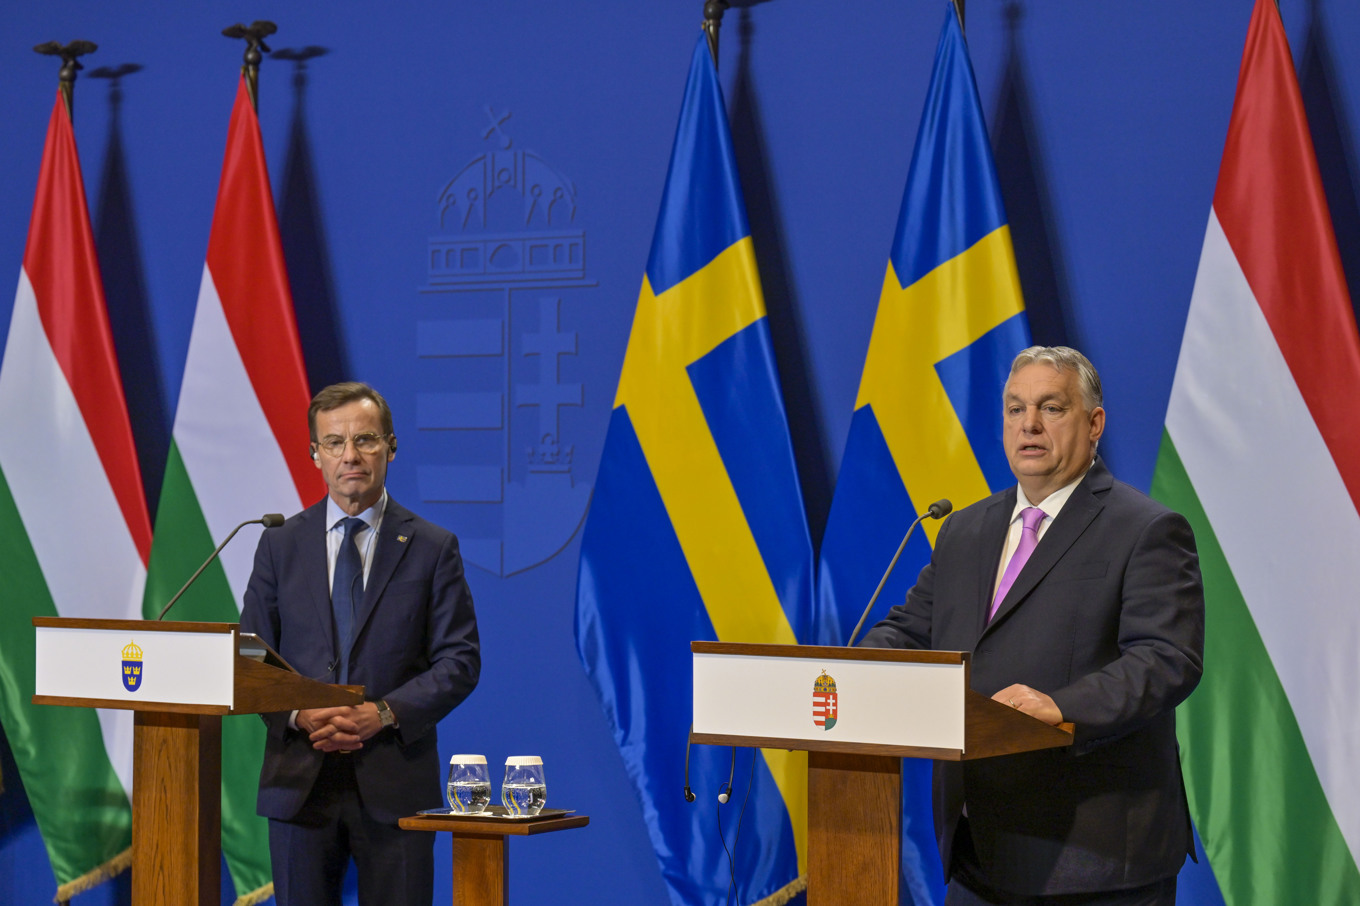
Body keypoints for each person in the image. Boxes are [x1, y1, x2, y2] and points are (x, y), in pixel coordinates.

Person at [860, 346, 1204, 906]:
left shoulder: (1145, 529)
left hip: (1093, 858)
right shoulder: (965, 531)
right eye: (1015, 409)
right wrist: (850, 673)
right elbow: (910, 631)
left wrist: (1062, 706)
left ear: (1094, 424)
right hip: (977, 853)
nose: (1030, 426)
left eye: (1051, 407)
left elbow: (1166, 659)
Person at [240, 382, 480, 906]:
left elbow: (460, 660)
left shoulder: (433, 548)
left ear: (391, 447)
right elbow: (249, 654)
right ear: (315, 455)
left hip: (394, 779)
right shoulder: (278, 544)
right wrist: (300, 714)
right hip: (299, 780)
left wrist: (384, 712)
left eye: (366, 440)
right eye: (334, 443)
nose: (350, 455)